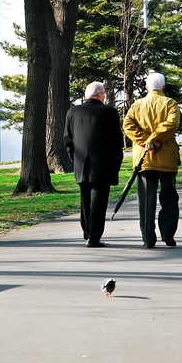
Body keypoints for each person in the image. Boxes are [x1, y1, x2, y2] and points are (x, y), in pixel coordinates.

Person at [122, 72, 181, 248]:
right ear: (164, 87)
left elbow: (128, 126)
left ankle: (148, 239)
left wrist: (146, 141)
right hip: (167, 159)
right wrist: (154, 140)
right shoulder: (170, 103)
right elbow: (171, 125)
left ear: (146, 87)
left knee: (146, 202)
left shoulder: (137, 105)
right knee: (169, 198)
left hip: (144, 159)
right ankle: (168, 234)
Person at [64, 81, 124, 247]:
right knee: (98, 199)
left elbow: (67, 139)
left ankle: (87, 232)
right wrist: (116, 162)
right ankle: (94, 236)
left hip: (80, 163)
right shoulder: (109, 112)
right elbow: (116, 140)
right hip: (103, 164)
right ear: (99, 95)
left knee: (85, 199)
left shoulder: (72, 112)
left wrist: (74, 158)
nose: (105, 97)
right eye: (104, 94)